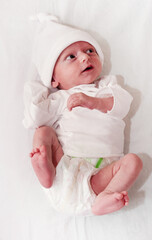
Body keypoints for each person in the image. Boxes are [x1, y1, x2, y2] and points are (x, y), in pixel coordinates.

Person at [23, 13, 143, 216]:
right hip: (65, 170)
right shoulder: (59, 99)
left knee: (134, 162)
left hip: (104, 174)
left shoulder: (107, 86)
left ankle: (109, 196)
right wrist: (34, 86)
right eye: (71, 56)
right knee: (43, 132)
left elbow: (122, 106)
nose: (85, 57)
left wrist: (94, 102)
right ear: (54, 79)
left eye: (90, 50)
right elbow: (35, 118)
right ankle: (45, 170)